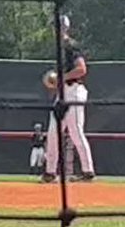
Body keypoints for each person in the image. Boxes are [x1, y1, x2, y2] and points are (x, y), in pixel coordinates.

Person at [41, 15, 95, 182]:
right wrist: (55, 81)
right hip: (62, 93)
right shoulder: (59, 49)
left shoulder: (71, 46)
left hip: (74, 91)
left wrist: (61, 77)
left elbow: (81, 69)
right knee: (53, 133)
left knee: (76, 132)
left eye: (59, 26)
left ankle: (88, 172)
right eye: (55, 26)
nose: (56, 29)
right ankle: (50, 172)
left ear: (65, 28)